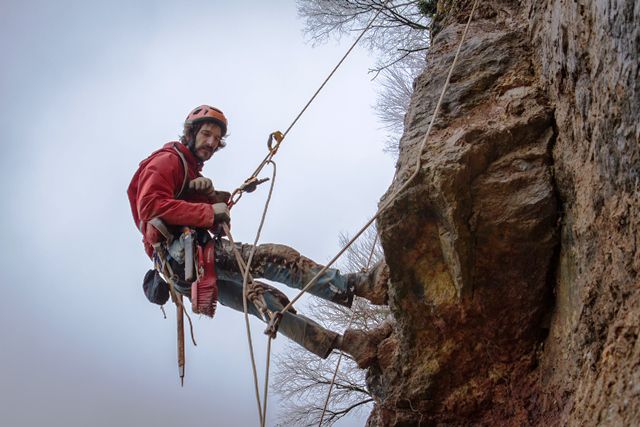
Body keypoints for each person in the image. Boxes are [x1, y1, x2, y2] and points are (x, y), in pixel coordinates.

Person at [127, 105, 390, 367]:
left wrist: (208, 201)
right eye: (206, 134)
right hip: (184, 255)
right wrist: (207, 210)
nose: (211, 142)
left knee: (264, 302)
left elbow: (195, 217)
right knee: (278, 260)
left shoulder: (190, 171)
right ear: (191, 132)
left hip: (182, 268)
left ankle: (351, 346)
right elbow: (150, 206)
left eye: (217, 140)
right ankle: (360, 285)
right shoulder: (168, 159)